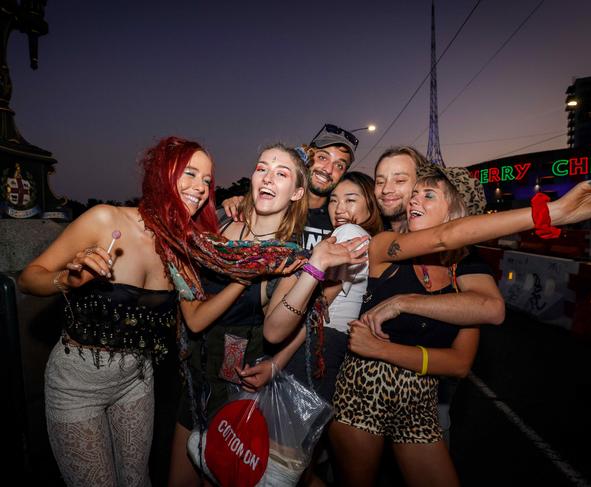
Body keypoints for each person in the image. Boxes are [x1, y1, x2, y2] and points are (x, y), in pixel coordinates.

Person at [327, 159, 591, 487]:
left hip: (420, 399)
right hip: (363, 391)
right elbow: (442, 238)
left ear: (455, 210)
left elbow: (467, 348)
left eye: (428, 195)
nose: (413, 200)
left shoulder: (466, 269)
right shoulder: (384, 244)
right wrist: (552, 212)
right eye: (413, 194)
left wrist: (403, 308)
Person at [16, 137, 232, 487]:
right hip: (76, 388)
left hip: (136, 383)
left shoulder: (182, 248)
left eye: (207, 180)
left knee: (137, 481)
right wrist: (68, 280)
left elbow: (196, 313)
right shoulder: (106, 219)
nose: (201, 188)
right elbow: (29, 278)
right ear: (163, 175)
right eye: (190, 173)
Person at [167, 144, 368, 487]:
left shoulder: (288, 259)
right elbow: (189, 302)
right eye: (262, 168)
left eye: (281, 173)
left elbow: (276, 331)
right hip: (192, 377)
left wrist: (314, 268)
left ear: (297, 193)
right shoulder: (217, 223)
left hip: (236, 389)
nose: (268, 177)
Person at [372, 147, 505, 442]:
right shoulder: (375, 238)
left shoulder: (463, 260)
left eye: (399, 179)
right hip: (364, 396)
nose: (387, 189)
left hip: (429, 405)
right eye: (380, 180)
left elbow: (488, 313)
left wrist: (404, 304)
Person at [222, 123, 358, 249]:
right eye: (322, 158)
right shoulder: (274, 206)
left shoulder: (339, 218)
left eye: (339, 165)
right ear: (308, 157)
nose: (328, 169)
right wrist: (239, 203)